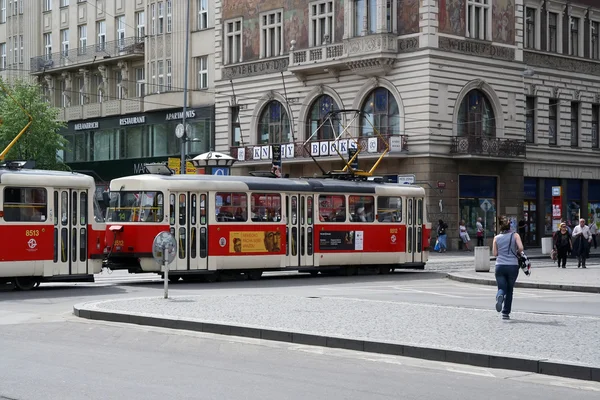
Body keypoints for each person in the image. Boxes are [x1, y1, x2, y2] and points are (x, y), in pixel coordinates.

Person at [493, 215, 524, 320]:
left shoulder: (496, 238)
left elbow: (495, 253)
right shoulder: (515, 235)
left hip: (500, 266)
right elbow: (521, 248)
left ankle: (500, 296)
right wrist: (516, 252)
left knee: (502, 288)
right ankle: (505, 313)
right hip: (512, 266)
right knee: (510, 289)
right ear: (510, 226)